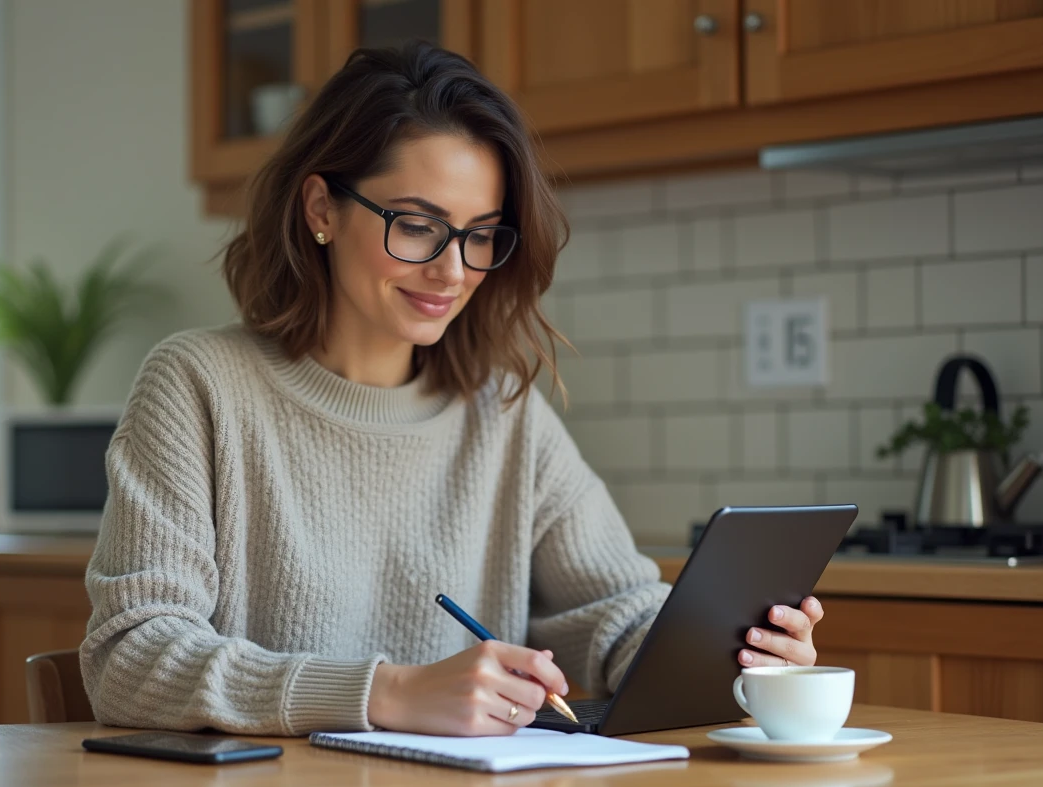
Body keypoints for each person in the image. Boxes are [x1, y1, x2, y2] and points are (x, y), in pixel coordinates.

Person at [79, 41, 825, 737]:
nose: (453, 271)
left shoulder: (501, 413)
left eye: (480, 235)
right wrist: (389, 693)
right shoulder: (197, 386)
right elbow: (131, 658)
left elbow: (618, 610)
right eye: (417, 225)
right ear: (319, 211)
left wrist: (731, 653)